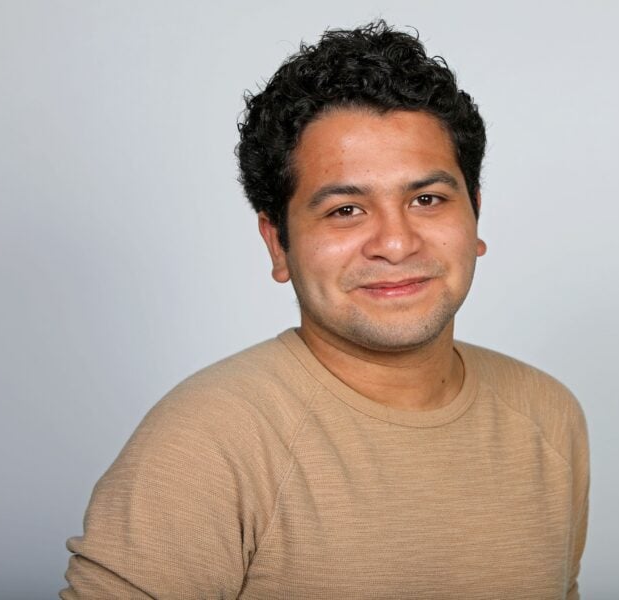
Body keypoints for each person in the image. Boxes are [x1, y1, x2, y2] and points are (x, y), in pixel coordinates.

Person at [62, 20, 589, 600]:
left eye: (427, 199)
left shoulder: (549, 416)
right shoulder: (203, 445)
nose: (396, 242)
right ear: (277, 242)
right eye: (345, 210)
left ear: (476, 218)